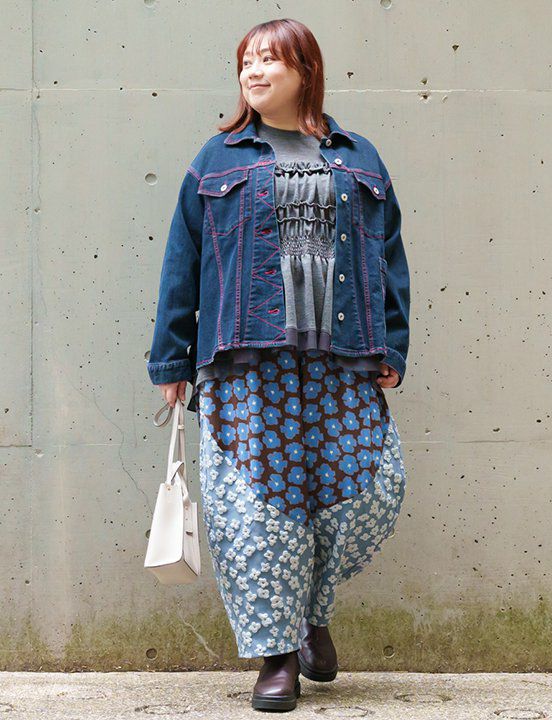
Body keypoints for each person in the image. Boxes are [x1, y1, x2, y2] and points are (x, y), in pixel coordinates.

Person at [147, 17, 409, 713]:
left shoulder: (358, 156)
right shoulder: (218, 159)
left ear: (305, 70)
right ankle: (278, 657)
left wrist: (394, 346)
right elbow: (182, 261)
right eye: (246, 63)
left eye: (268, 60)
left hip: (342, 359)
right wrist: (172, 359)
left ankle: (312, 609)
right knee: (254, 512)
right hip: (245, 362)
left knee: (364, 491)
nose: (253, 73)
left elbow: (389, 256)